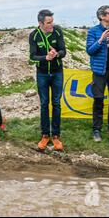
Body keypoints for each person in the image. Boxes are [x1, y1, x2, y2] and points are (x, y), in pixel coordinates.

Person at [29, 9, 66, 152]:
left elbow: (64, 51)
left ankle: (56, 135)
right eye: (48, 23)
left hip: (57, 72)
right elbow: (32, 57)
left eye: (52, 22)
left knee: (56, 103)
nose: (51, 25)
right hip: (42, 74)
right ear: (40, 23)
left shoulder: (57, 31)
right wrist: (45, 57)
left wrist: (56, 54)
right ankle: (45, 135)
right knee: (44, 104)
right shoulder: (34, 35)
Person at [86, 6, 109, 142]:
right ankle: (96, 130)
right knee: (98, 100)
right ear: (102, 16)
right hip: (99, 72)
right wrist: (101, 39)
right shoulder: (93, 31)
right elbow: (90, 50)